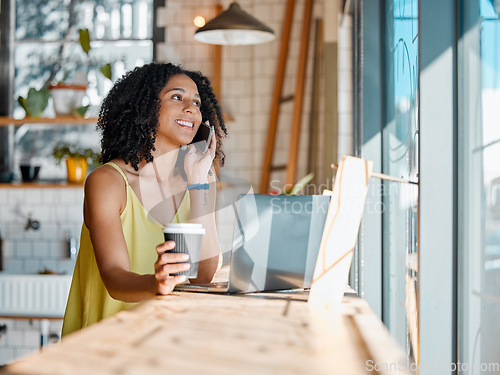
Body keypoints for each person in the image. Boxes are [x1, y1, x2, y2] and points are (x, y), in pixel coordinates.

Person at [62, 62, 227, 336]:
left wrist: (199, 182)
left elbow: (203, 274)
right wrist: (157, 283)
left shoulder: (198, 180)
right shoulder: (108, 182)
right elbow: (114, 278)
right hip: (101, 346)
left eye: (196, 102)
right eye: (177, 97)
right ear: (145, 106)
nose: (191, 108)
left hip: (158, 343)